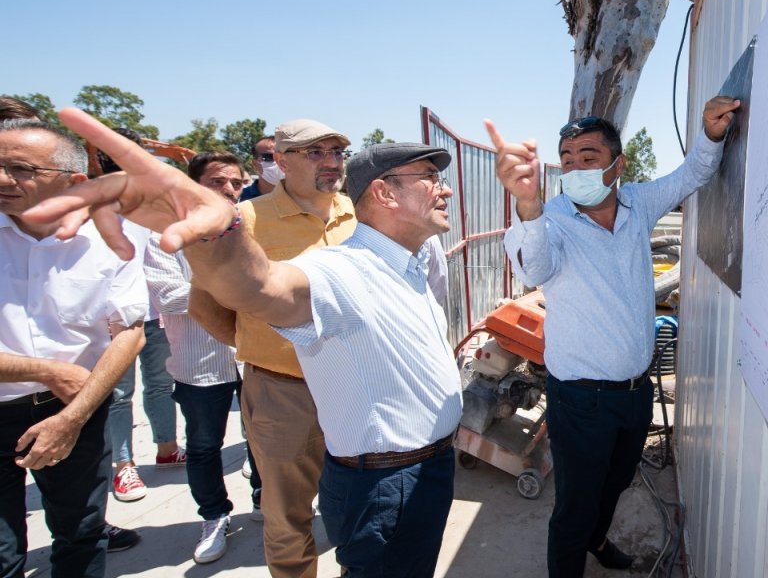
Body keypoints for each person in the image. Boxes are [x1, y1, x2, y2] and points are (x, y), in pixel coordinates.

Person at [26, 113, 464, 577]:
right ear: (385, 193)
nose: (447, 189)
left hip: (408, 453)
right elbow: (258, 287)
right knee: (288, 517)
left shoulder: (398, 249)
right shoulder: (321, 256)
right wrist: (216, 235)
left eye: (337, 152)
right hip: (309, 412)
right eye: (431, 178)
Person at [487, 96, 739, 576]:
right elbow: (535, 268)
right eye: (567, 160)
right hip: (580, 401)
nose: (576, 168)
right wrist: (527, 206)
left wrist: (710, 135)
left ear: (616, 164)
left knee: (618, 480)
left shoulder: (638, 202)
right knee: (574, 506)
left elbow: (690, 177)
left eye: (588, 158)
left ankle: (598, 541)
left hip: (634, 392)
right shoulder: (548, 220)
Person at [188, 117, 356, 578]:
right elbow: (204, 305)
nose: (331, 163)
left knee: (359, 503)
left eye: (338, 152)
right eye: (316, 153)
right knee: (287, 517)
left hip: (356, 387)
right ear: (280, 161)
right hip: (284, 394)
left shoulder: (360, 214)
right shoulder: (247, 220)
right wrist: (258, 346)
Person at [0, 118, 148, 576]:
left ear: (74, 181)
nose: (4, 179)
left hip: (76, 411)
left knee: (81, 534)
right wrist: (49, 370)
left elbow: (129, 331)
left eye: (20, 168)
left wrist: (73, 416)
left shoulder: (111, 240)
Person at [143, 151, 257, 564]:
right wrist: (236, 285)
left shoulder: (252, 228)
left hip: (252, 356)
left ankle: (262, 499)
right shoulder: (165, 236)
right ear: (194, 186)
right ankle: (214, 516)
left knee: (261, 438)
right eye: (217, 182)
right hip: (199, 365)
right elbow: (167, 296)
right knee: (205, 446)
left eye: (237, 183)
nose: (229, 190)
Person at [103, 126, 184, 504]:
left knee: (159, 385)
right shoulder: (86, 206)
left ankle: (167, 448)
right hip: (111, 321)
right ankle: (124, 467)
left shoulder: (152, 203)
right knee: (119, 395)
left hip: (153, 314)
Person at [239, 135, 279, 201]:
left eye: (283, 157)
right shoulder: (239, 198)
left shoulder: (299, 198)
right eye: (269, 157)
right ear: (255, 164)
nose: (278, 162)